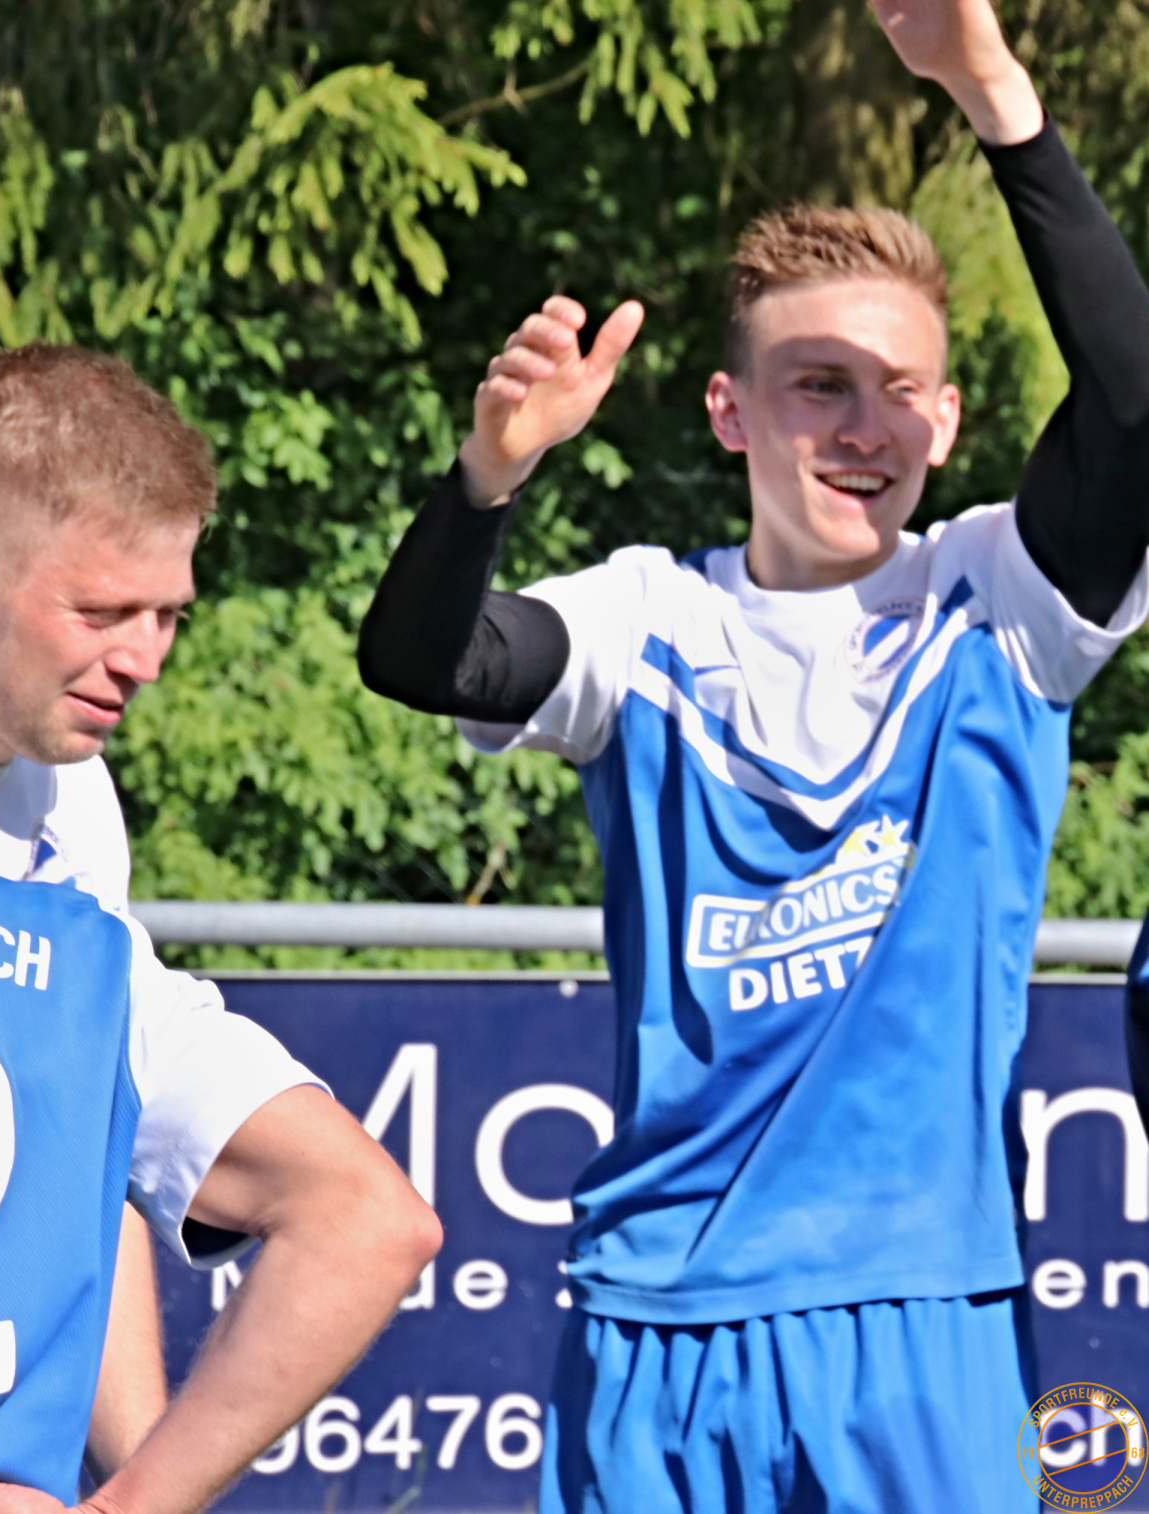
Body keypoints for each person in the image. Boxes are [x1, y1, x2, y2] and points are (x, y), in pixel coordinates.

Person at [357, 0, 1149, 1507]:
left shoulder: (999, 598)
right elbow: (419, 660)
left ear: (948, 418)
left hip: (920, 1315)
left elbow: (1135, 407)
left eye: (900, 389)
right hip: (656, 1324)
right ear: (729, 411)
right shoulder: (644, 616)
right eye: (818, 384)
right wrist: (488, 475)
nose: (865, 425)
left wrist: (993, 92)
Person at [0, 343, 442, 1512]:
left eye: (169, 614)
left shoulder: (73, 810)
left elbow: (83, 1161)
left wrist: (132, 1496)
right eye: (104, 610)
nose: (147, 659)